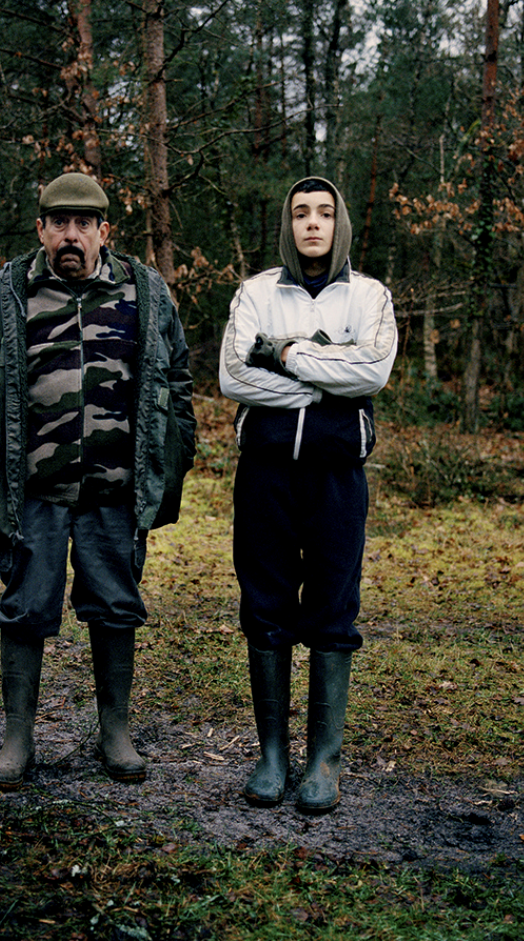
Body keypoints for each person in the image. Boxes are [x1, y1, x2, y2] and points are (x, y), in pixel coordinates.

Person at [0, 172, 196, 789]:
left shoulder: (146, 293)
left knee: (115, 607)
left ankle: (115, 732)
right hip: (32, 494)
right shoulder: (3, 293)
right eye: (60, 223)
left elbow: (179, 382)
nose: (71, 236)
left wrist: (172, 457)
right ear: (41, 229)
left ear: (104, 231)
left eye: (84, 224)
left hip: (115, 491)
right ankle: (16, 738)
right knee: (26, 609)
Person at [218, 176, 397, 813]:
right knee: (264, 603)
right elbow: (233, 373)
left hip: (336, 477)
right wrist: (326, 375)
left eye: (324, 213)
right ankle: (273, 756)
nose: (313, 223)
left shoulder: (370, 295)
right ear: (288, 223)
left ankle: (324, 760)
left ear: (339, 222)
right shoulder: (257, 291)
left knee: (331, 605)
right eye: (301, 213)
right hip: (265, 474)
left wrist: (286, 355)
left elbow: (374, 369)